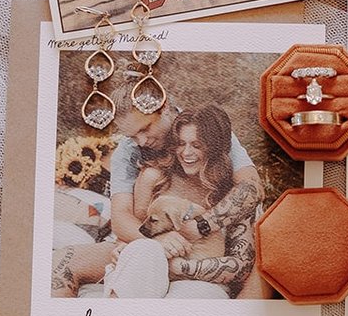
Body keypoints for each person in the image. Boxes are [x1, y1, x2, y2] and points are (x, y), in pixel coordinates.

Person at [107, 105, 255, 298]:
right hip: (148, 270)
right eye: (181, 144)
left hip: (199, 282)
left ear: (216, 147)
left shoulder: (234, 194)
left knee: (196, 296)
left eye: (197, 145)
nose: (186, 153)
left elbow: (241, 266)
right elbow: (133, 231)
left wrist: (177, 266)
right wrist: (125, 250)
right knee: (143, 253)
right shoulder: (154, 178)